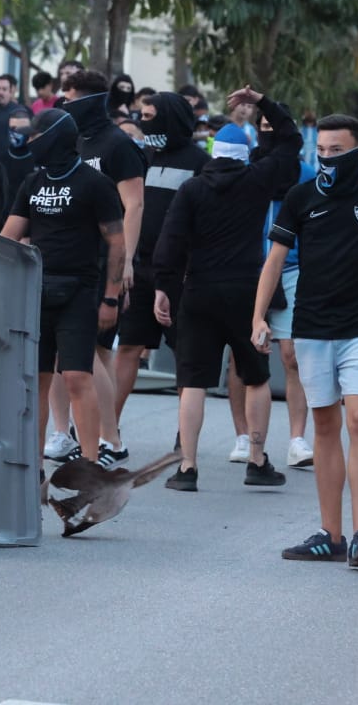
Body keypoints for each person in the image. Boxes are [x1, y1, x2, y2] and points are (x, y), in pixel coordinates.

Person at [254, 113, 358, 570]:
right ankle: (332, 534)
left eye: (336, 150)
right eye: (321, 150)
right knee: (324, 426)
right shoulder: (299, 197)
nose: (326, 158)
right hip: (312, 326)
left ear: (357, 152)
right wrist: (257, 315)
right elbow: (274, 260)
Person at [153, 89, 300, 491]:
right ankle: (256, 459)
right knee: (254, 378)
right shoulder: (257, 179)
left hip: (198, 292)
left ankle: (187, 467)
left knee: (193, 381)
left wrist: (163, 289)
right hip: (246, 294)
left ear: (215, 151)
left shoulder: (193, 189)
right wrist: (265, 102)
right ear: (245, 152)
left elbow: (170, 243)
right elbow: (291, 141)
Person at [0, 109, 125, 467]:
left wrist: (111, 298)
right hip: (36, 293)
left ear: (55, 137)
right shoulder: (32, 183)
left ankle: (88, 467)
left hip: (79, 294)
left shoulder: (95, 183)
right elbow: (8, 236)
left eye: (36, 137)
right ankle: (33, 470)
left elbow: (116, 243)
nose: (30, 143)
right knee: (37, 384)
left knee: (75, 376)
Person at [102, 91, 209, 457]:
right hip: (137, 270)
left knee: (185, 356)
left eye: (151, 117)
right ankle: (107, 432)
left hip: (180, 276)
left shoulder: (200, 162)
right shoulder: (138, 157)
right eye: (141, 116)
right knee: (129, 346)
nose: (145, 123)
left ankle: (186, 439)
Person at [56, 69, 144, 466]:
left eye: (69, 94)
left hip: (105, 263)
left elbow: (135, 205)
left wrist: (123, 262)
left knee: (87, 353)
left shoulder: (117, 143)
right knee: (89, 354)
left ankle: (110, 440)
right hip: (76, 258)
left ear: (88, 99)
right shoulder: (76, 139)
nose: (62, 99)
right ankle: (82, 435)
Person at [258, 108, 318, 470]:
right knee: (245, 358)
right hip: (250, 270)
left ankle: (297, 439)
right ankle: (248, 440)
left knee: (292, 355)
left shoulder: (306, 174)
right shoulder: (249, 168)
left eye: (274, 127)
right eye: (263, 127)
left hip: (293, 269)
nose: (269, 134)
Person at [2, 108, 37, 219]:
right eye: (13, 128)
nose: (17, 133)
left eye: (22, 129)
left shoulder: (40, 158)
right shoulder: (0, 159)